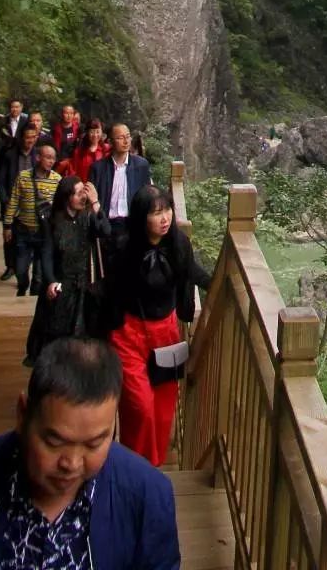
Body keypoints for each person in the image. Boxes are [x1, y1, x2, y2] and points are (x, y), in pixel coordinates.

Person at [0, 335, 181, 570]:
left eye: (94, 444)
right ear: (23, 414)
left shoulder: (147, 497)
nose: (72, 463)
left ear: (113, 426)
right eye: (55, 442)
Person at [103, 185, 210, 466]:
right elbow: (110, 290)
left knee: (163, 411)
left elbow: (192, 271)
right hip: (129, 333)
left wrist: (217, 282)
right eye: (155, 213)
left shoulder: (178, 244)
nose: (164, 218)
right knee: (140, 408)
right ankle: (133, 464)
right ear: (141, 217)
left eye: (167, 210)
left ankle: (152, 466)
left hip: (166, 333)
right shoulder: (126, 249)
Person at [27, 178, 107, 365]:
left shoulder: (87, 217)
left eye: (83, 192)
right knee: (56, 334)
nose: (82, 197)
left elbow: (105, 230)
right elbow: (46, 253)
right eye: (78, 193)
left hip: (83, 285)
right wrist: (51, 280)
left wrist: (95, 203)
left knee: (82, 334)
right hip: (62, 284)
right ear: (66, 197)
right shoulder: (53, 221)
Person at [5, 140, 60, 298]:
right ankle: (22, 286)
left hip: (45, 233)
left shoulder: (57, 180)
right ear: (38, 157)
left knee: (39, 275)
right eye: (47, 157)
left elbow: (60, 207)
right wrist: (7, 226)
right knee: (21, 269)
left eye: (53, 158)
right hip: (24, 230)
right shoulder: (23, 177)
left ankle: (32, 302)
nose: (50, 161)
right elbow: (14, 201)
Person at [90, 123, 152, 266]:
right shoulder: (98, 168)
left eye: (128, 136)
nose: (126, 141)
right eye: (120, 137)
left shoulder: (141, 165)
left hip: (131, 225)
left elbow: (147, 195)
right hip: (106, 224)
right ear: (110, 142)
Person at [0, 106, 30, 282]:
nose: (29, 141)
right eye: (27, 137)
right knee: (9, 235)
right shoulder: (10, 155)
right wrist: (5, 200)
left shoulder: (38, 156)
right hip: (11, 201)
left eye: (33, 138)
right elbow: (0, 180)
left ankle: (24, 271)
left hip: (29, 204)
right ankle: (10, 266)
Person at [61, 115, 110, 183]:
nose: (95, 135)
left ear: (102, 132)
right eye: (92, 132)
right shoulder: (78, 152)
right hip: (83, 188)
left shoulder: (106, 150)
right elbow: (72, 173)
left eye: (98, 131)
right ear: (87, 132)